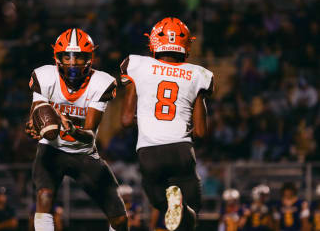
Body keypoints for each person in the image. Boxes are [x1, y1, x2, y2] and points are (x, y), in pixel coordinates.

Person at [25, 28, 128, 231]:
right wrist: (33, 124)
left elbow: (89, 137)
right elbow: (36, 113)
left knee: (119, 217)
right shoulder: (44, 76)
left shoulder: (101, 83)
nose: (72, 63)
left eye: (79, 58)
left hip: (83, 154)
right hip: (51, 150)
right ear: (57, 57)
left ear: (90, 58)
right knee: (44, 195)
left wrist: (72, 129)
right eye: (67, 57)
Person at [120, 17, 213, 231]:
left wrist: (145, 118)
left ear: (154, 42)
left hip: (148, 151)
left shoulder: (138, 65)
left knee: (159, 202)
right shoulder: (198, 74)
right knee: (192, 210)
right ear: (186, 45)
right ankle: (182, 207)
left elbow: (125, 120)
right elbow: (200, 131)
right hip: (181, 149)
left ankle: (173, 204)